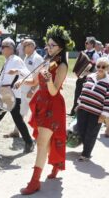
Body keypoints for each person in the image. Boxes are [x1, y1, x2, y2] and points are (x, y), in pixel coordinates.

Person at [15, 25, 74, 195]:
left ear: (61, 47)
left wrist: (49, 79)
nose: (48, 48)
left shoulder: (61, 65)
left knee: (41, 143)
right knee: (46, 142)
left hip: (53, 106)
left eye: (52, 45)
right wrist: (22, 81)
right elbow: (35, 81)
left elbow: (54, 90)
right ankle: (56, 164)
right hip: (41, 103)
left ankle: (35, 182)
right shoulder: (47, 60)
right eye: (47, 45)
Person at [0, 37, 34, 154]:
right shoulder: (7, 60)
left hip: (12, 96)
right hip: (3, 95)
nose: (1, 49)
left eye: (3, 47)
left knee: (17, 120)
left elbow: (29, 75)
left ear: (11, 49)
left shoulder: (16, 60)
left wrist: (17, 71)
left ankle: (29, 142)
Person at [4, 39, 44, 138]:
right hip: (24, 89)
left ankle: (41, 134)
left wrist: (32, 89)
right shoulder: (26, 58)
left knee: (36, 113)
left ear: (31, 46)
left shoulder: (37, 58)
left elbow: (39, 76)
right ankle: (16, 131)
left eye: (25, 46)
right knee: (21, 112)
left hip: (32, 90)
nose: (23, 48)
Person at [76, 57, 109, 161]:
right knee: (81, 130)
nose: (100, 68)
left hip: (96, 113)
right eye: (98, 66)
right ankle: (85, 148)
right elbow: (83, 90)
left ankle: (86, 153)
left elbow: (108, 100)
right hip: (83, 109)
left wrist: (104, 115)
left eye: (103, 66)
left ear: (108, 68)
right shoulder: (90, 77)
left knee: (91, 133)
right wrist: (79, 103)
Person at [69, 37, 96, 116]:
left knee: (84, 96)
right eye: (85, 43)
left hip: (88, 79)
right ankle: (74, 111)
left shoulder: (95, 54)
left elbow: (96, 69)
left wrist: (88, 73)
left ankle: (80, 113)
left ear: (92, 44)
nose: (85, 44)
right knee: (77, 94)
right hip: (80, 78)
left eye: (87, 43)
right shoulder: (83, 52)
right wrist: (78, 70)